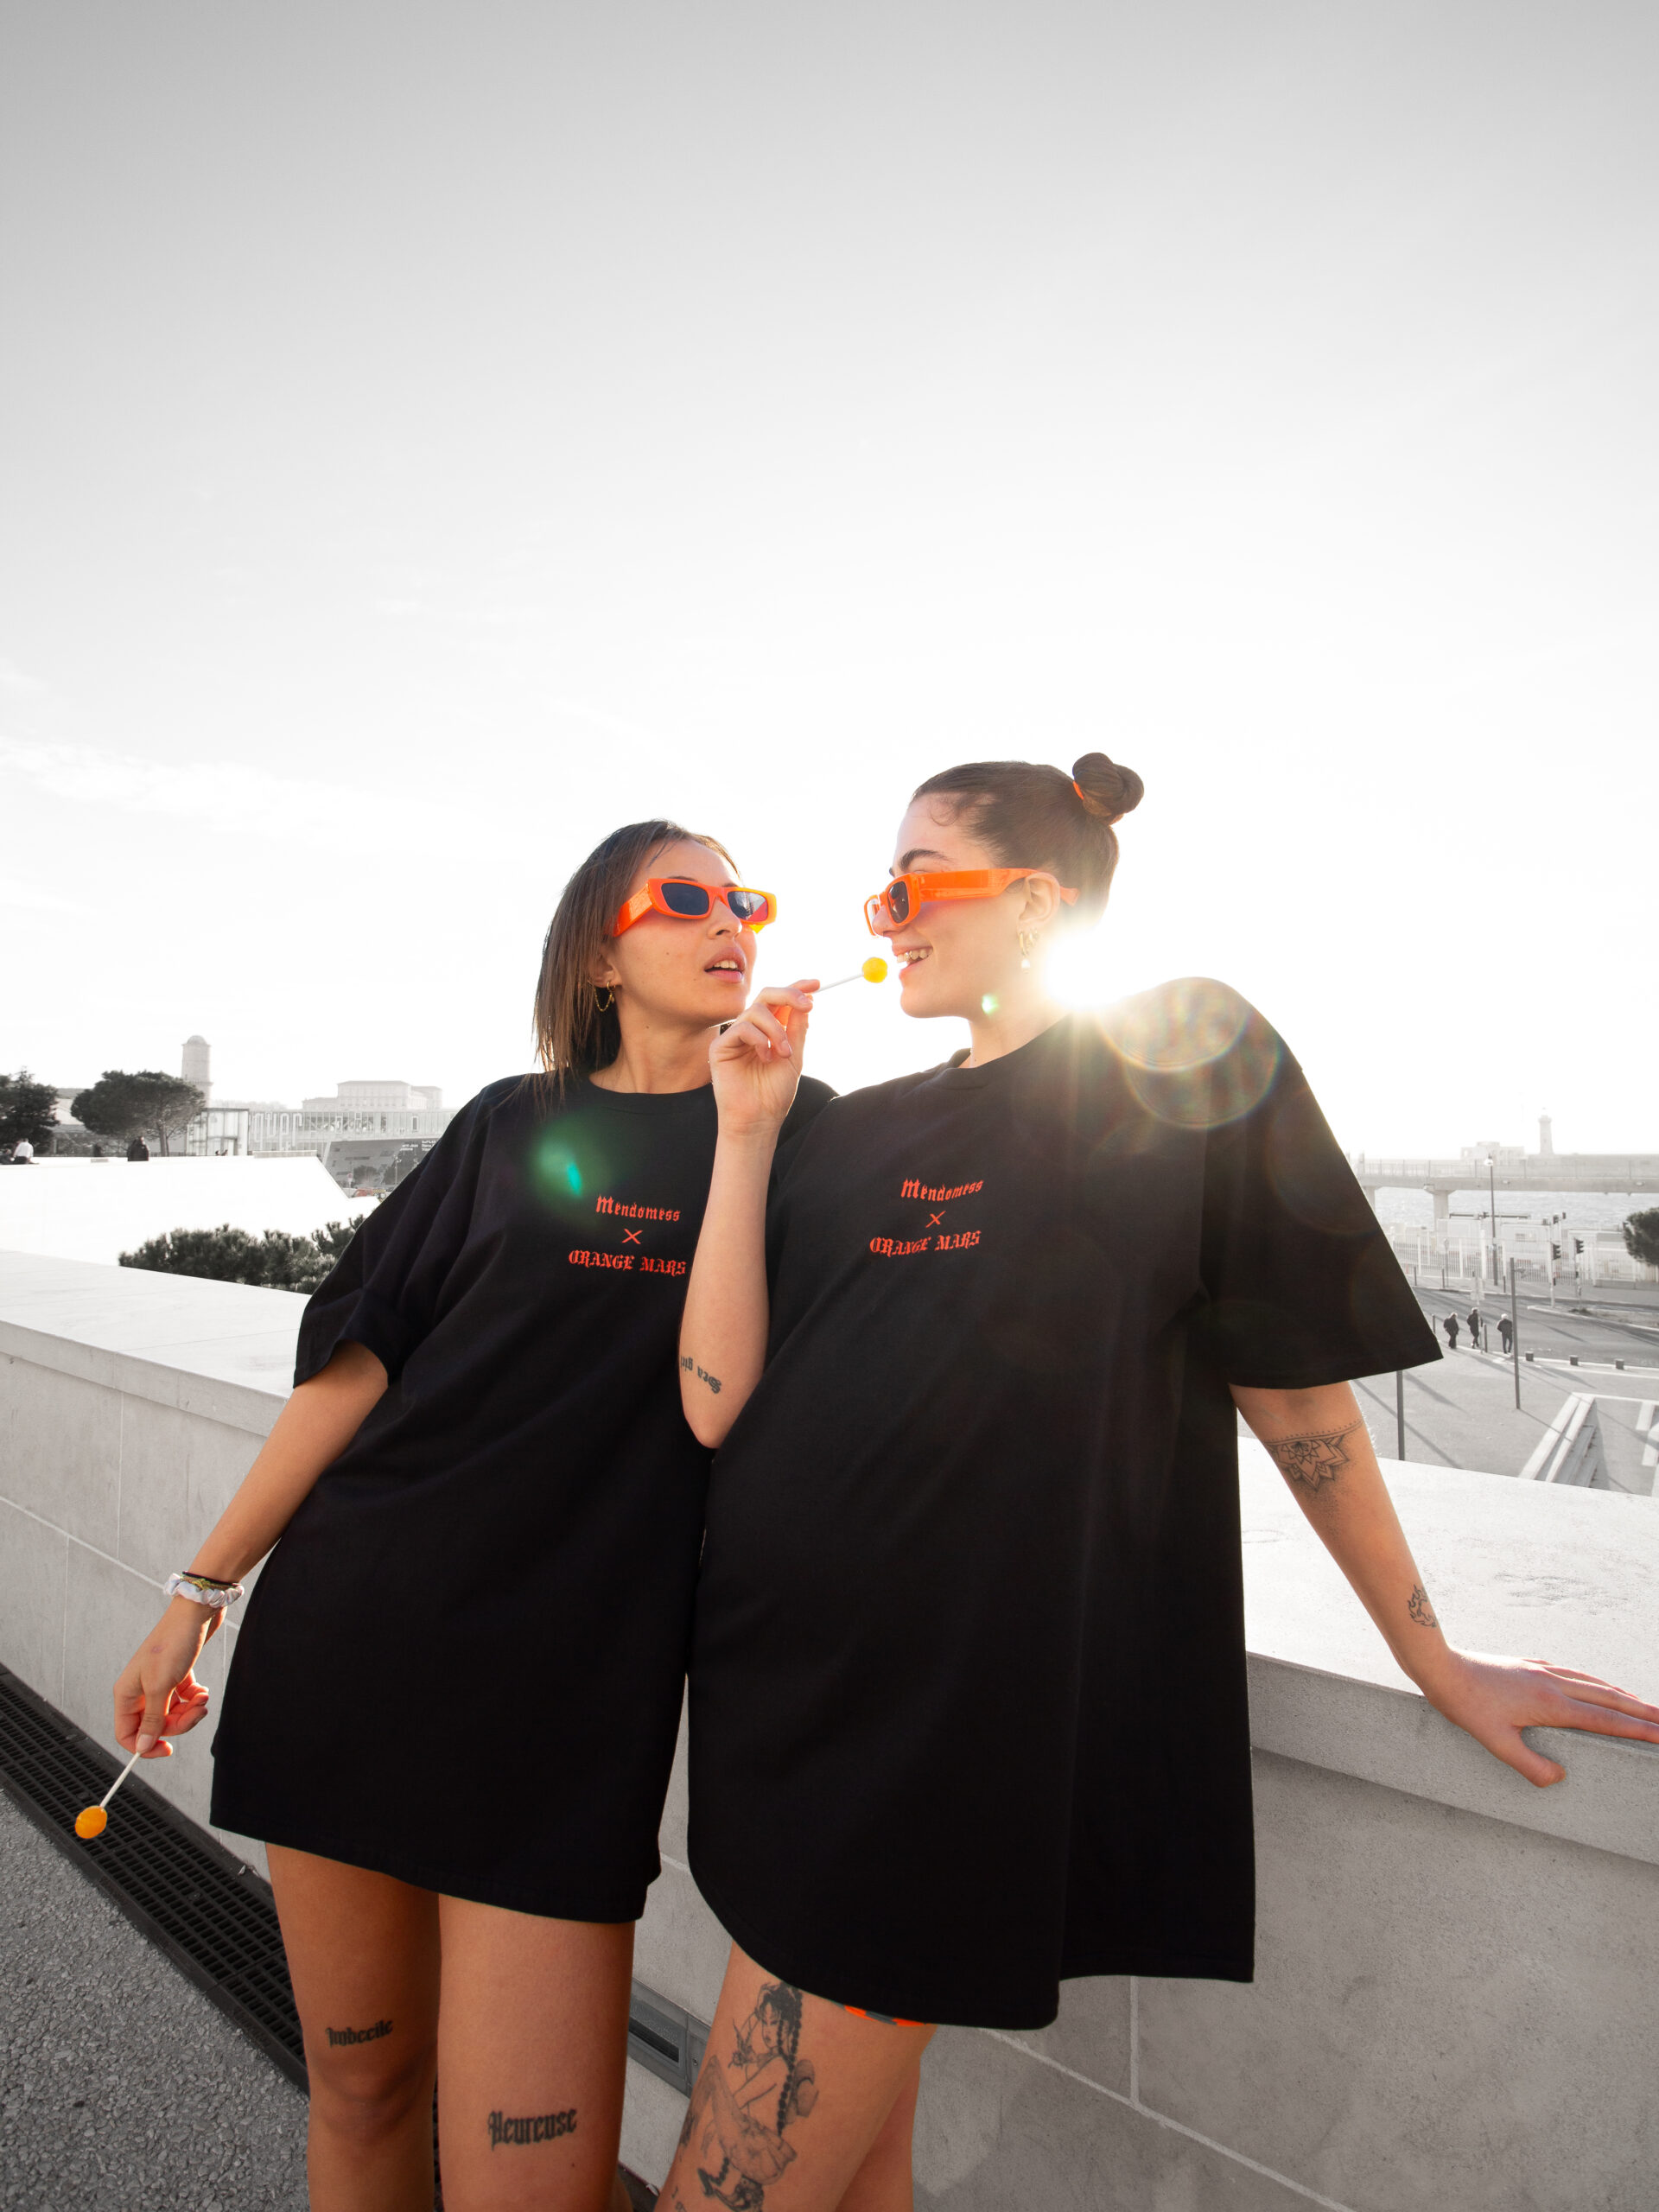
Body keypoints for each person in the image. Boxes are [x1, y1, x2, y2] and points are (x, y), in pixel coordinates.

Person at [658, 753, 1659, 2212]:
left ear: (1038, 900)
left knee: (730, 2186)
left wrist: (1431, 1653)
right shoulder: (845, 1129)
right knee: (859, 2171)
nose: (886, 918)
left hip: (940, 1755)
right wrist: (746, 1136)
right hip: (778, 1710)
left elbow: (1293, 1389)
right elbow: (720, 1397)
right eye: (880, 891)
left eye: (913, 883)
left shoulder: (1181, 1063)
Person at [111, 821, 831, 2212]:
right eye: (685, 896)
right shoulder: (512, 1123)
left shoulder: (804, 1130)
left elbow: (731, 1401)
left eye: (746, 898)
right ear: (599, 949)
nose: (730, 918)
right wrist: (195, 1597)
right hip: (356, 1638)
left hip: (572, 1707)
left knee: (531, 2189)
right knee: (365, 2097)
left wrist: (753, 1129)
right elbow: (357, 1370)